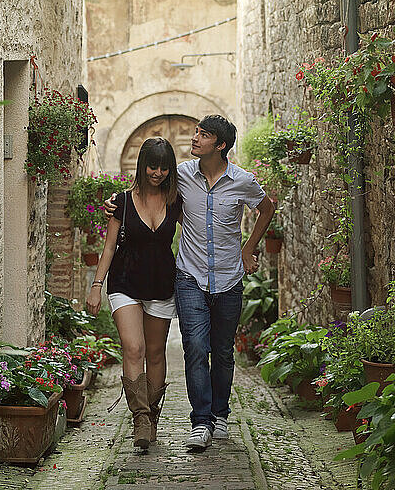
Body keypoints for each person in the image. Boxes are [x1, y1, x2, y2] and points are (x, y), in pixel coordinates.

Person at [105, 115, 275, 451]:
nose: (194, 138)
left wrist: (249, 247)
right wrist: (114, 201)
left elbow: (268, 209)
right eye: (195, 131)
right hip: (189, 276)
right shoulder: (179, 175)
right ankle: (200, 422)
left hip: (228, 277)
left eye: (203, 134)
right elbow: (144, 189)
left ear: (221, 144)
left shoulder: (243, 181)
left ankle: (220, 414)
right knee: (195, 348)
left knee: (223, 352)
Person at [86, 137, 182, 450]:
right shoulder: (122, 202)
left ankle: (152, 414)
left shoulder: (175, 200)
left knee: (155, 353)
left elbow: (198, 231)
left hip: (161, 284)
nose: (158, 173)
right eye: (153, 166)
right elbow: (110, 246)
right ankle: (139, 416)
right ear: (142, 166)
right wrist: (97, 286)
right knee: (133, 347)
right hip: (124, 283)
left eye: (164, 168)